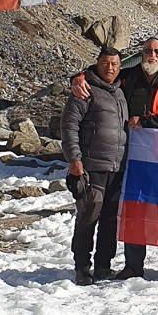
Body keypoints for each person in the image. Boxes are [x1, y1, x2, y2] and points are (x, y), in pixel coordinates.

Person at [71, 35, 158, 280]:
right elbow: (102, 72)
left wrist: (148, 122)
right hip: (133, 157)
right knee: (134, 210)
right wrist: (77, 77)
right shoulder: (129, 76)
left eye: (157, 51)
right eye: (147, 51)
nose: (152, 56)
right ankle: (133, 265)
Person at [61, 47, 129, 286]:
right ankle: (82, 267)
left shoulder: (121, 91)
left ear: (120, 67)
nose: (110, 68)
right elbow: (69, 126)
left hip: (117, 167)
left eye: (114, 64)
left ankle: (103, 266)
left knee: (110, 220)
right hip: (91, 166)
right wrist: (74, 159)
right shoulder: (84, 90)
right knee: (88, 217)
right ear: (97, 64)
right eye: (105, 63)